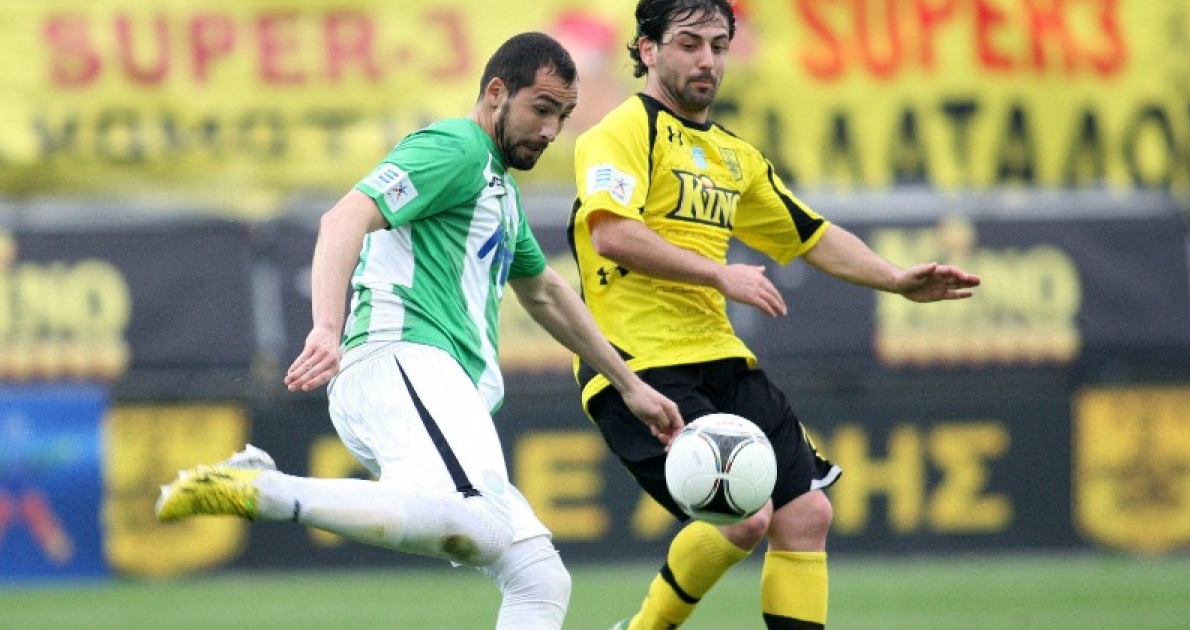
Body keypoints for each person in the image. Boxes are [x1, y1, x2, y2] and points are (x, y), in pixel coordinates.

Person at [155, 32, 683, 630]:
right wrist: (326, 326)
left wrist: (630, 386)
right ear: (496, 92)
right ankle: (268, 489)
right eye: (541, 109)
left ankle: (269, 487)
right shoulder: (457, 148)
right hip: (403, 359)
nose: (551, 130)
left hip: (428, 383)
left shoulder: (499, 188)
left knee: (538, 577)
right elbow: (345, 217)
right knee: (482, 524)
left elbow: (544, 292)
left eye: (562, 116)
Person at [568, 2, 982, 629]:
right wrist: (718, 274)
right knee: (745, 516)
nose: (707, 60)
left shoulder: (734, 156)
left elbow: (809, 234)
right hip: (639, 363)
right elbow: (611, 234)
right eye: (688, 44)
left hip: (719, 356)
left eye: (718, 45)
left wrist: (896, 279)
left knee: (807, 514)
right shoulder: (620, 131)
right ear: (647, 50)